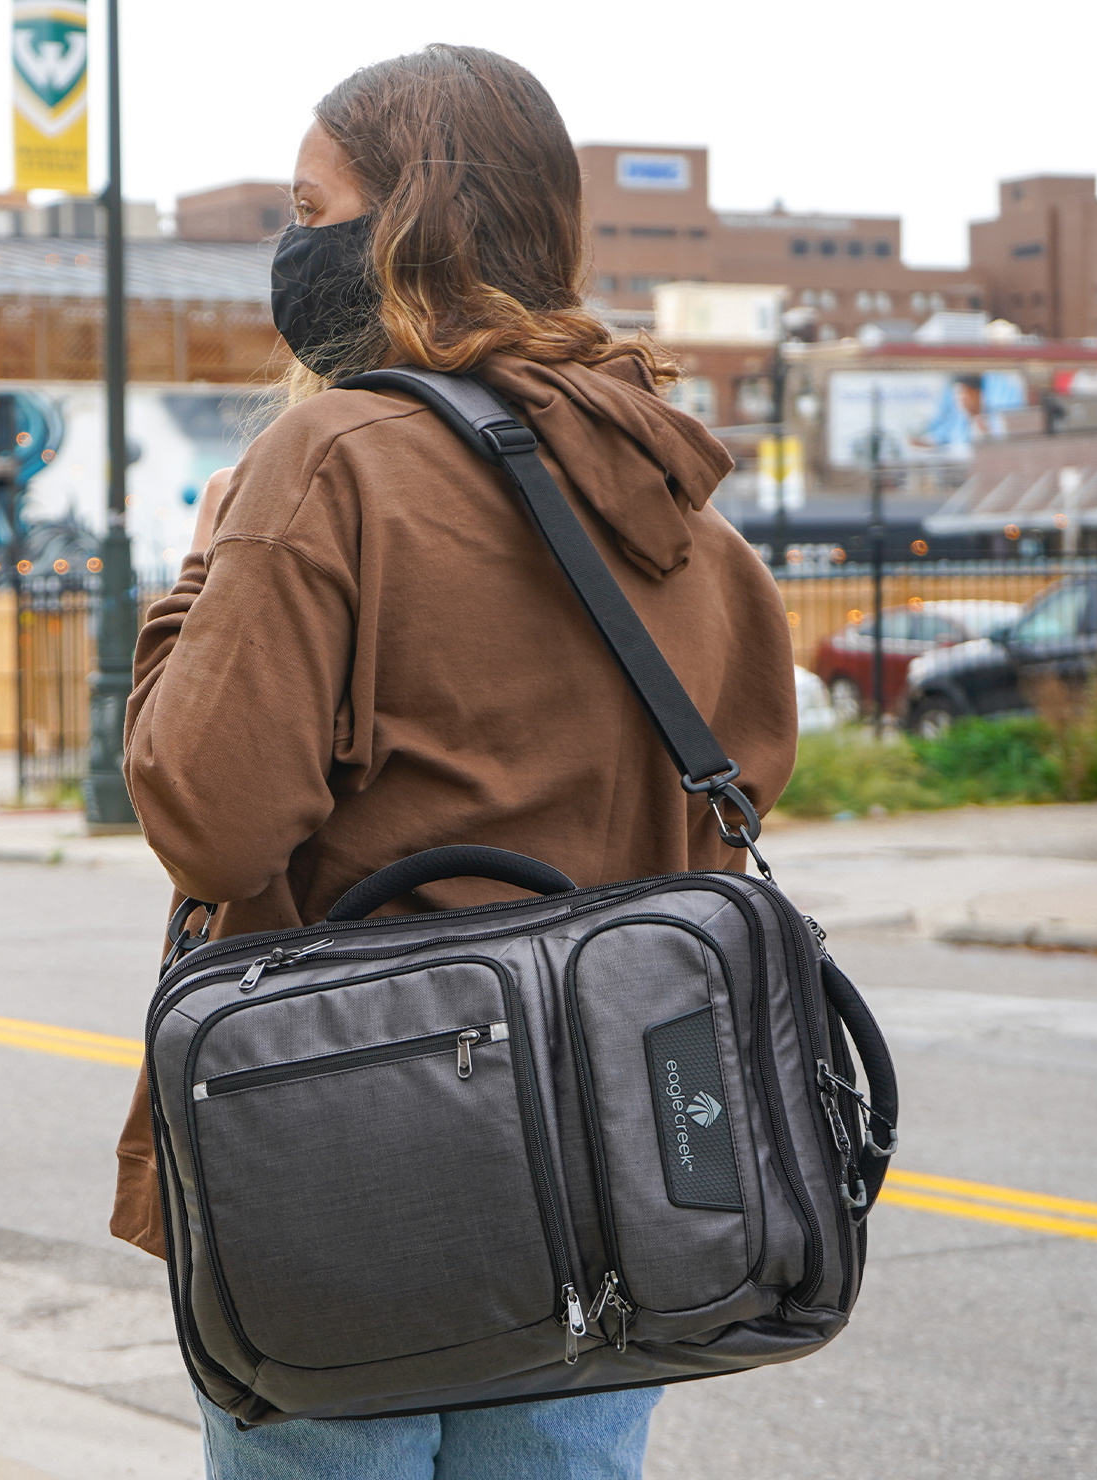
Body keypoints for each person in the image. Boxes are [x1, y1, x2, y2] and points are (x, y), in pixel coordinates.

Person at [109, 45, 797, 1480]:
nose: (293, 248)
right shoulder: (691, 511)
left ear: (408, 224)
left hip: (353, 1152)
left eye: (313, 208)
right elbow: (721, 823)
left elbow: (211, 821)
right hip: (615, 1178)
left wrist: (202, 574)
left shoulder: (329, 461)